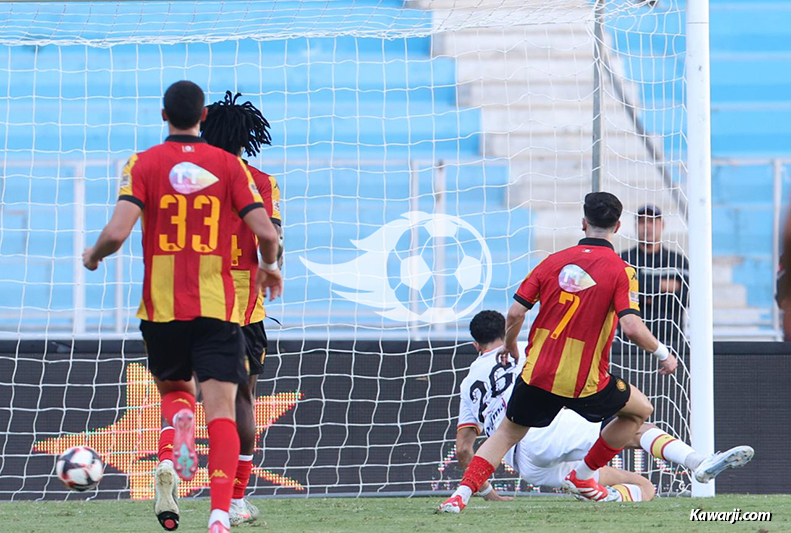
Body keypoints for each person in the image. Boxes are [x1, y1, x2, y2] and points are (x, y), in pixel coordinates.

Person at [81, 80, 283, 533]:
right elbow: (270, 236)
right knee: (234, 406)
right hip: (233, 305)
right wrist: (272, 265)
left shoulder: (146, 164)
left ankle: (172, 446)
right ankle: (227, 505)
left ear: (163, 114)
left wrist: (93, 256)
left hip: (164, 305)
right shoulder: (245, 176)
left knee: (176, 391)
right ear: (202, 117)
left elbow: (117, 232)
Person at [438, 191, 677, 513]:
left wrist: (510, 345)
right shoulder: (621, 269)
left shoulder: (552, 261)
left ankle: (459, 497)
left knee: (505, 434)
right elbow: (632, 327)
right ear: (618, 225)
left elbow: (514, 314)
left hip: (537, 373)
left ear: (583, 223)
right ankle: (587, 475)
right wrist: (662, 352)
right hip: (583, 378)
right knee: (639, 411)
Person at [455, 311, 754, 503]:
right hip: (545, 432)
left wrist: (488, 493)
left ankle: (604, 497)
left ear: (475, 345)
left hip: (528, 466)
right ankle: (697, 463)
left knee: (644, 489)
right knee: (637, 426)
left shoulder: (468, 384)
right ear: (508, 336)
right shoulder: (522, 353)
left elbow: (464, 450)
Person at [200, 91, 283, 526]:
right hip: (243, 307)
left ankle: (170, 458)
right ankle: (233, 498)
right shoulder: (261, 182)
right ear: (246, 137)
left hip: (190, 298)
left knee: (185, 390)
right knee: (242, 400)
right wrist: (272, 266)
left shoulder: (188, 178)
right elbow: (273, 240)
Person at [620, 205, 689, 356]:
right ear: (636, 226)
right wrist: (663, 286)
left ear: (662, 225)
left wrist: (642, 292)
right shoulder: (623, 259)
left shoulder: (677, 261)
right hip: (629, 345)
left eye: (652, 222)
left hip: (671, 340)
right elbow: (619, 298)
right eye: (643, 222)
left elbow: (684, 299)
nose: (647, 227)